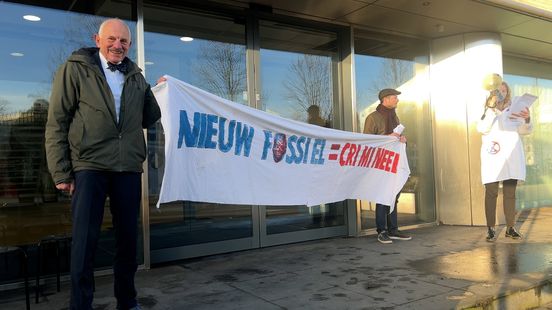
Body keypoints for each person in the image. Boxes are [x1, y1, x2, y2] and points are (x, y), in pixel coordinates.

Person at [45, 18, 161, 309]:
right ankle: (81, 305)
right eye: (111, 39)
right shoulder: (75, 69)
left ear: (130, 45)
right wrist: (61, 170)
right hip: (89, 165)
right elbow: (57, 121)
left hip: (127, 167)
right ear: (98, 39)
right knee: (85, 241)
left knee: (127, 241)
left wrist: (158, 89)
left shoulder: (135, 76)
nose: (117, 45)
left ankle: (127, 300)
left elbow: (149, 117)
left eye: (123, 41)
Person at [477, 80, 532, 242]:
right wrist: (491, 109)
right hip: (493, 156)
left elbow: (524, 130)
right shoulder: (486, 109)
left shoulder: (514, 109)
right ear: (493, 92)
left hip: (511, 156)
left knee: (510, 193)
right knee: (491, 192)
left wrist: (527, 119)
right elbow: (481, 128)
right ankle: (491, 228)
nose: (501, 93)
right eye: (498, 90)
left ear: (507, 93)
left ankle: (510, 227)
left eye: (504, 90)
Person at [363, 88, 412, 244]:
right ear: (385, 99)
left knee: (394, 194)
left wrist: (402, 139)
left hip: (394, 161)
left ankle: (393, 229)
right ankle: (382, 230)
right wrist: (388, 137)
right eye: (394, 98)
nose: (397, 100)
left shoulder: (394, 116)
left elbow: (395, 138)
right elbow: (367, 141)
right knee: (382, 194)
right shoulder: (372, 118)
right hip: (380, 162)